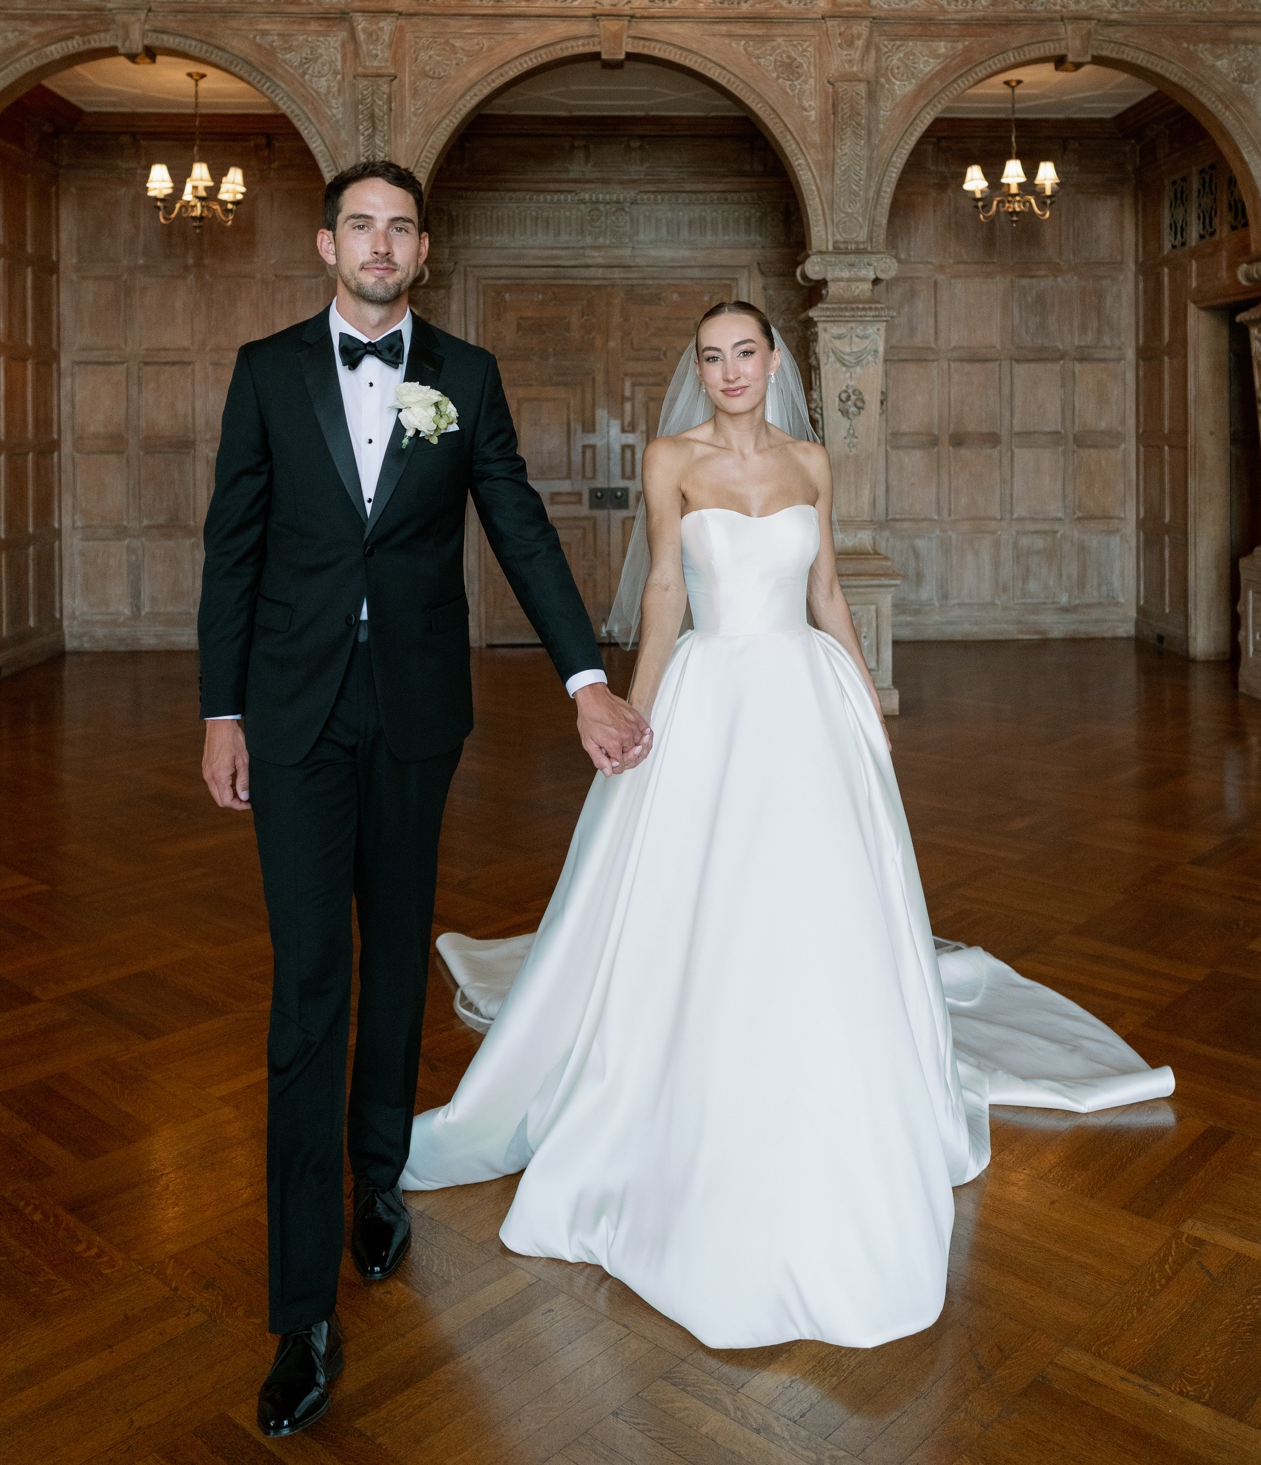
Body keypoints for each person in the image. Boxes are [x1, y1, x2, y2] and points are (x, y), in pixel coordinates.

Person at [402, 299, 1175, 1350]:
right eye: (711, 356)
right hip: (711, 692)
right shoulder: (670, 457)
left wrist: (865, 697)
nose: (728, 370)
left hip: (807, 699)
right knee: (707, 889)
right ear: (701, 370)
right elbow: (668, 587)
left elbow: (825, 590)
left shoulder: (813, 462)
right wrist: (633, 704)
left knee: (817, 895)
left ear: (773, 362)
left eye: (743, 353)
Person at [197, 160, 650, 1436]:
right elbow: (231, 545)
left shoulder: (468, 375)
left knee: (395, 956)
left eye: (400, 227)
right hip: (287, 716)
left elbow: (518, 527)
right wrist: (218, 711)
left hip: (412, 711)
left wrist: (582, 679)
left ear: (423, 247)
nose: (380, 243)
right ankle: (301, 1313)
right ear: (325, 243)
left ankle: (378, 1175)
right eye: (361, 225)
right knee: (309, 986)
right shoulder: (266, 370)